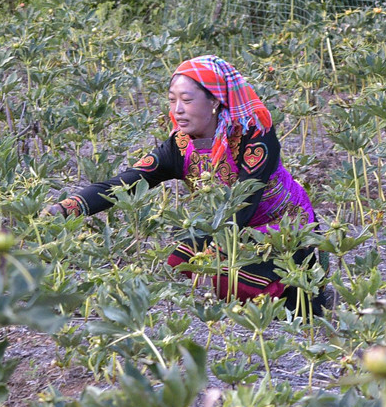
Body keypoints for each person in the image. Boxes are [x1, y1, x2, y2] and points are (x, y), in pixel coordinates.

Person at [47, 55, 334, 313]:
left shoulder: (255, 135)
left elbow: (243, 203)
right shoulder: (179, 145)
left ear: (214, 101)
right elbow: (125, 182)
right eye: (172, 100)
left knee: (232, 275)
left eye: (186, 100)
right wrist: (64, 210)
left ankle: (306, 295)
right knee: (182, 259)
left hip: (283, 228)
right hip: (227, 226)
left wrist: (210, 249)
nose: (178, 109)